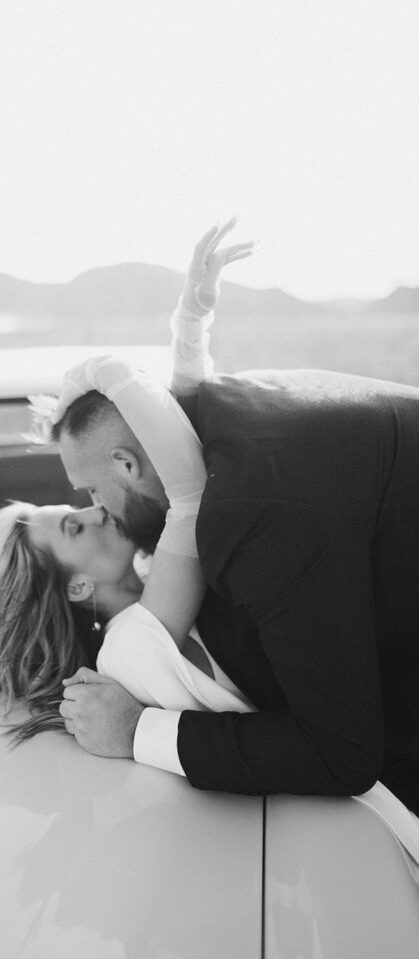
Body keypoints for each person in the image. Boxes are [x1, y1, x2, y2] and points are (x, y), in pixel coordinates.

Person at [54, 290, 419, 817]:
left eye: (91, 490)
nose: (97, 509)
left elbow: (340, 753)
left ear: (126, 466)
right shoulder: (223, 413)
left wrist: (136, 730)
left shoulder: (246, 516)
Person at [0, 220, 253, 741]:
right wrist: (99, 372)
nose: (96, 509)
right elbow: (188, 492)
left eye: (77, 508)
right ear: (78, 586)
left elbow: (177, 442)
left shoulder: (149, 573)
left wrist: (192, 323)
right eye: (74, 527)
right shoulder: (127, 647)